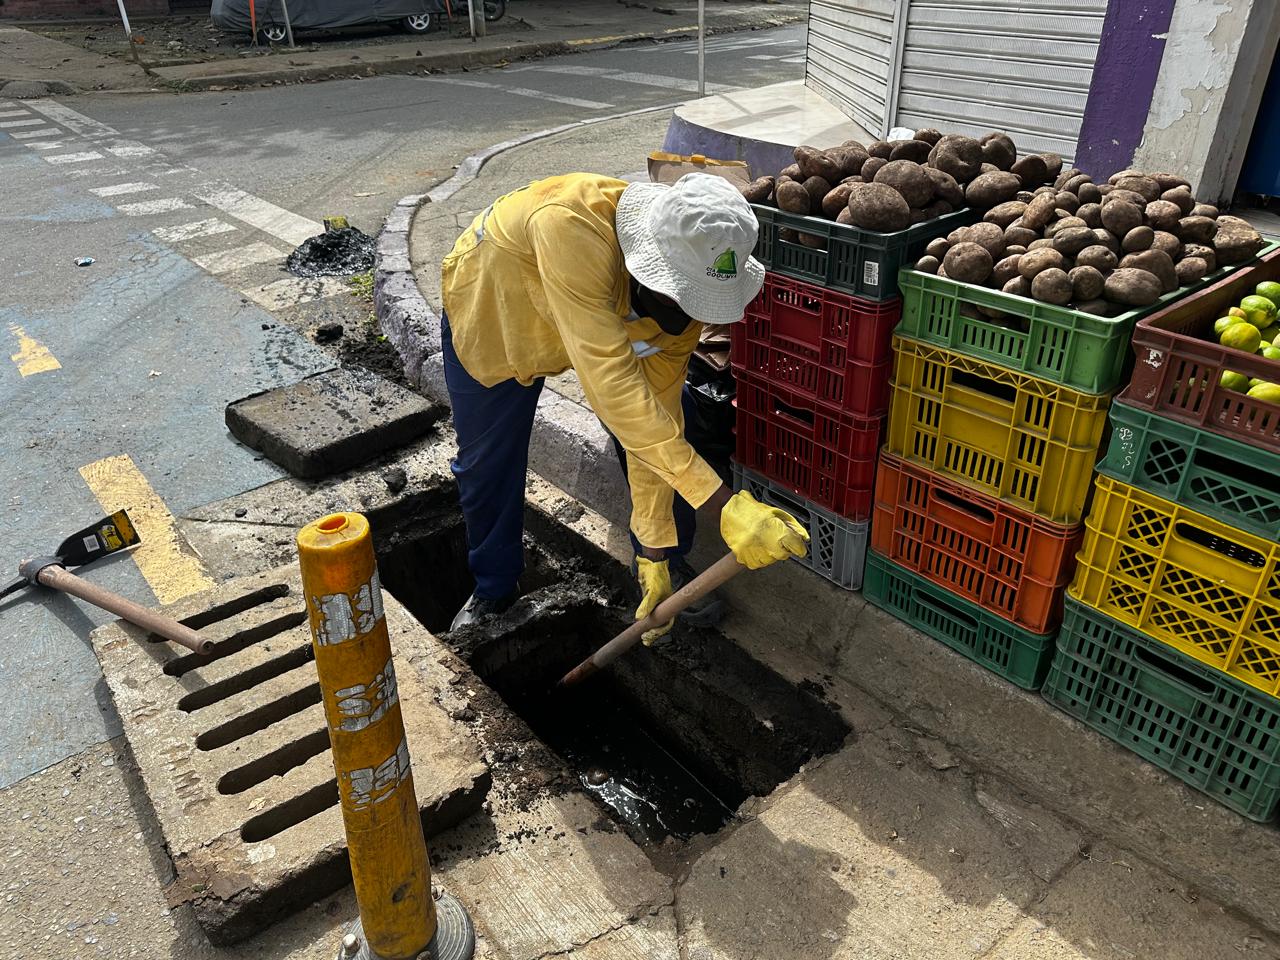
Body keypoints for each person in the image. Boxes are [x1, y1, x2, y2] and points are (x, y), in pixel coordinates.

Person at [439, 171, 808, 640]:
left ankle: (667, 564)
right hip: (496, 310)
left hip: (588, 321)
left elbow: (656, 419)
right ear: (646, 262)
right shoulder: (568, 226)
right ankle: (493, 589)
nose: (690, 317)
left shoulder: (685, 303)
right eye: (681, 296)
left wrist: (654, 552)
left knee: (671, 430)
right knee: (487, 464)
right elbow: (611, 387)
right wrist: (725, 506)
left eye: (700, 303)